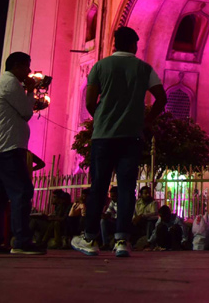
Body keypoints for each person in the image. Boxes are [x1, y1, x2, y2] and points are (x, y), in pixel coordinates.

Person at [72, 26, 166, 258]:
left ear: (115, 43)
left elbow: (90, 100)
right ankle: (122, 240)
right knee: (126, 189)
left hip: (104, 137)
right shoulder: (144, 69)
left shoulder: (100, 66)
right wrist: (146, 121)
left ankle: (90, 238)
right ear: (134, 45)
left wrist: (102, 118)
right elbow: (161, 98)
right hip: (132, 136)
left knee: (99, 188)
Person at [0, 50, 44, 255]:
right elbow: (26, 112)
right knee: (22, 191)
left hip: (1, 146)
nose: (29, 71)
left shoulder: (5, 84)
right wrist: (30, 91)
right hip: (8, 146)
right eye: (27, 66)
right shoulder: (10, 83)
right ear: (17, 65)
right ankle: (22, 240)